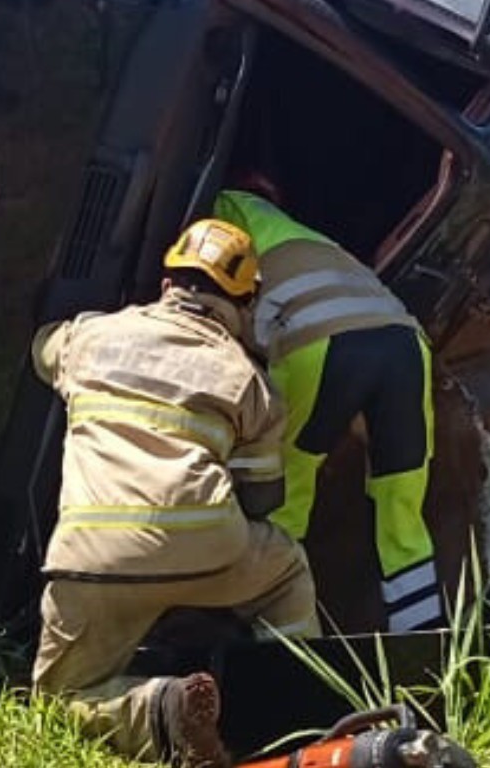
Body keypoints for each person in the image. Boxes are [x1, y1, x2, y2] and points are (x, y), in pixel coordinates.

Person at [29, 218, 320, 767]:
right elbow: (262, 500)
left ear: (167, 284)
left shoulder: (91, 338)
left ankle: (158, 709)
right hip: (208, 549)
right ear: (245, 303)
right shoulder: (249, 380)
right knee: (286, 569)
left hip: (93, 559)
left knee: (59, 700)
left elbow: (43, 346)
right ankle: (294, 714)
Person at [212, 177, 443, 634]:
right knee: (402, 517)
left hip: (320, 342)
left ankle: (279, 646)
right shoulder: (318, 241)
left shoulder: (226, 206)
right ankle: (425, 654)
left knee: (285, 499)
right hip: (406, 343)